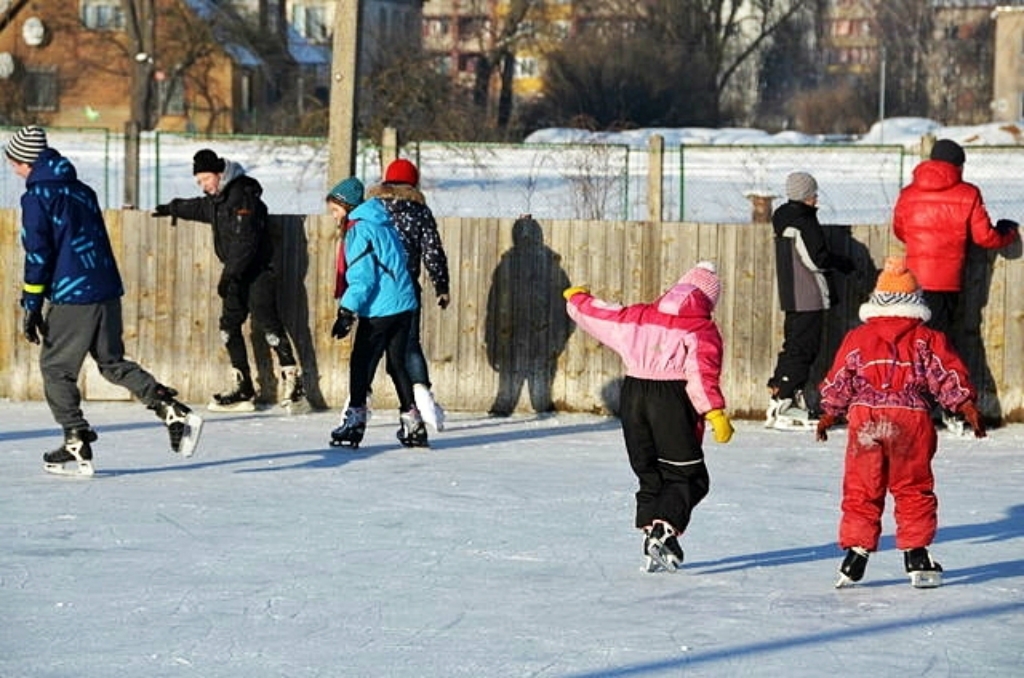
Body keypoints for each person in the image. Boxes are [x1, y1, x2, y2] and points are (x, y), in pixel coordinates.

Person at [6, 125, 202, 476]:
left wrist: (32, 303)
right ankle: (170, 409)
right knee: (111, 362)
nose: (12, 169)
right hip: (106, 289)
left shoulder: (37, 196)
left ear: (23, 161)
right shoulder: (83, 191)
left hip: (73, 293)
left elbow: (38, 253)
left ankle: (74, 437)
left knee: (55, 368)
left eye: (12, 162)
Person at [816, 257, 985, 589]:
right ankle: (917, 555)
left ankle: (856, 554)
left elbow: (840, 378)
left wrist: (829, 413)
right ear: (915, 302)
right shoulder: (927, 338)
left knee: (862, 486)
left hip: (866, 419)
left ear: (877, 300)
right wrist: (965, 405)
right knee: (912, 486)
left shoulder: (858, 338)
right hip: (910, 419)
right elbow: (945, 374)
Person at [565, 262, 734, 572]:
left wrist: (577, 301)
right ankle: (664, 530)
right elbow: (701, 372)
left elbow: (604, 317)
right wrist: (714, 411)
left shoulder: (641, 315)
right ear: (708, 301)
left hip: (633, 396)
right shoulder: (700, 328)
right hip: (671, 400)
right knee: (689, 475)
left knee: (650, 471)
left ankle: (650, 535)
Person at [154, 149, 305, 413]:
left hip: (258, 272)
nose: (203, 186)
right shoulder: (217, 199)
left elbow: (245, 241)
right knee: (229, 327)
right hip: (235, 274)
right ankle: (243, 385)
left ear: (219, 173)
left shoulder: (242, 195)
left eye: (205, 179)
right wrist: (172, 208)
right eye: (199, 182)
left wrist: (229, 276)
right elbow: (198, 207)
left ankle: (293, 384)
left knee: (269, 325)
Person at [325, 177, 426, 449]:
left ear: (346, 206)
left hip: (381, 309)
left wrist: (347, 311)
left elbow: (363, 279)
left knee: (361, 364)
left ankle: (354, 422)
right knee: (397, 365)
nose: (334, 217)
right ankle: (413, 424)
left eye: (335, 210)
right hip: (404, 304)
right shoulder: (382, 222)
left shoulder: (358, 230)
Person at [892, 138, 1019, 338]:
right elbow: (985, 237)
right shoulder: (968, 193)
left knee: (913, 337)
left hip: (912, 280)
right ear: (959, 166)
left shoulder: (908, 193)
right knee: (939, 339)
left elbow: (900, 231)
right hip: (946, 281)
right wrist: (1008, 233)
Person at [365, 158, 451, 432]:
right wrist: (442, 286)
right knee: (410, 345)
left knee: (370, 347)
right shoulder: (419, 212)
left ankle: (356, 403)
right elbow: (432, 251)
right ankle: (424, 400)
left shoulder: (372, 210)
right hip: (405, 287)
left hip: (374, 289)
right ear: (413, 182)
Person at [766, 170, 854, 431]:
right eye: (813, 194)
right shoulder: (803, 221)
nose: (816, 199)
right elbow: (817, 259)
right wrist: (843, 262)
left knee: (793, 344)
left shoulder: (783, 216)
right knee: (804, 347)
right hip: (808, 293)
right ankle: (784, 399)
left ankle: (781, 392)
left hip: (792, 293)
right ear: (804, 195)